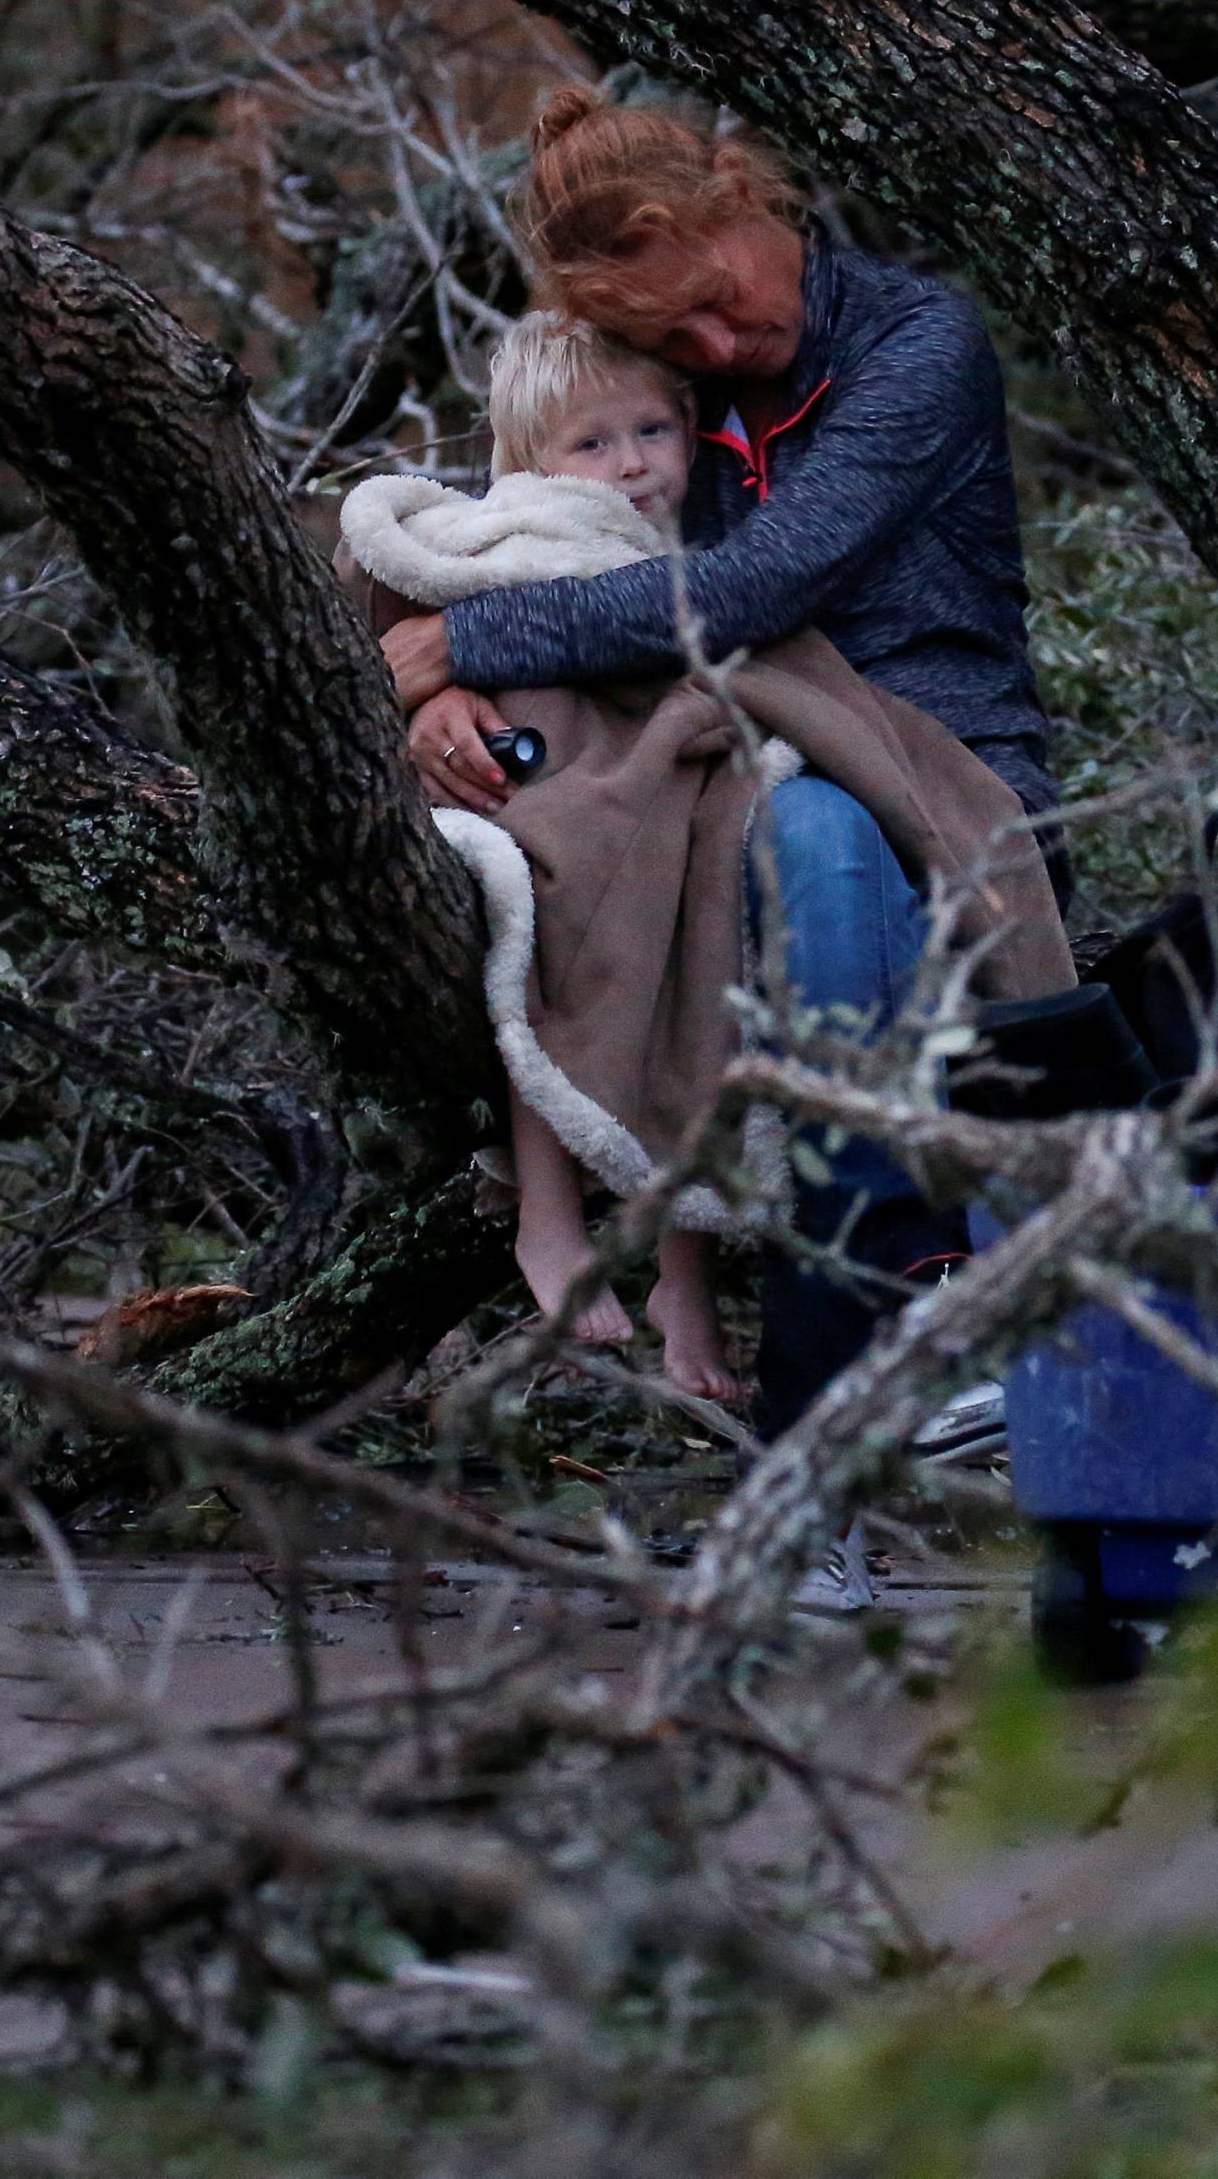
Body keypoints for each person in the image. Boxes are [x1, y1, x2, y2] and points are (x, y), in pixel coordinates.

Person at [379, 89, 1069, 1598]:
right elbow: (568, 538)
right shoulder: (651, 387)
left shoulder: (913, 348)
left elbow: (756, 585)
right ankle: (863, 1372)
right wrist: (464, 700)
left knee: (826, 851)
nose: (703, 355)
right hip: (726, 761)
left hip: (934, 750)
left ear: (749, 201)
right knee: (757, 842)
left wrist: (462, 637)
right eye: (664, 343)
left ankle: (862, 1385)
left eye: (709, 305)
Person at [342, 312, 1073, 1407]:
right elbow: (403, 595)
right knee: (567, 898)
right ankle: (547, 1219)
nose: (631, 463)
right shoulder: (512, 536)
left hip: (682, 808)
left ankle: (685, 1272)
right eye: (594, 444)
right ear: (533, 460)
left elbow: (730, 647)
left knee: (714, 937)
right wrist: (447, 690)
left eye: (653, 430)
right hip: (553, 808)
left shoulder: (706, 550)